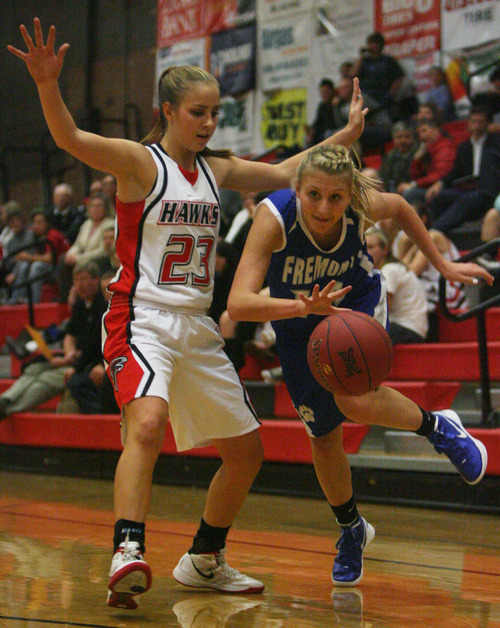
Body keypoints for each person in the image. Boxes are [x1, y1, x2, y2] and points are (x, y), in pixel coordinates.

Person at [8, 18, 367, 609]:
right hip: (140, 314)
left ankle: (204, 558)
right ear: (170, 110)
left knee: (248, 450)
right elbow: (71, 138)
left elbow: (284, 173)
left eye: (215, 113)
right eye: (198, 112)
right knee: (146, 424)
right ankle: (127, 547)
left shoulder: (216, 170)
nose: (208, 122)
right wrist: (48, 84)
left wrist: (345, 136)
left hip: (196, 324)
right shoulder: (139, 164)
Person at [226, 144, 492, 587]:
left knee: (353, 398)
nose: (325, 207)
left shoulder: (361, 206)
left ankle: (438, 428)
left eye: (336, 197)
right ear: (296, 188)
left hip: (355, 303)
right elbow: (238, 303)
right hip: (297, 319)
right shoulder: (274, 218)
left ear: (350, 196)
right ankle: (352, 529)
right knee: (323, 436)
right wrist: (299, 307)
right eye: (313, 195)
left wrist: (443, 263)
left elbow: (404, 207)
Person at [0, 261, 112, 420]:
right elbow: (68, 331)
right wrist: (68, 352)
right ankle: (6, 399)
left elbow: (93, 345)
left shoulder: (103, 307)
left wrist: (71, 359)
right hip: (73, 356)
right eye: (76, 280)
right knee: (33, 367)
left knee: (46, 379)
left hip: (86, 363)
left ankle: (8, 409)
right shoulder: (80, 305)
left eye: (84, 280)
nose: (80, 285)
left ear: (96, 281)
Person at [424, 106, 500, 234]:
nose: (477, 125)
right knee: (438, 196)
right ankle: (430, 231)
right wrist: (439, 183)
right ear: (468, 124)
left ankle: (435, 231)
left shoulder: (496, 142)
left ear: (487, 124)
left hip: (487, 189)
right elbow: (454, 172)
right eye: (474, 121)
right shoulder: (464, 147)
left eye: (481, 122)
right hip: (467, 186)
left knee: (468, 200)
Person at [365, 227, 428, 344]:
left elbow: (383, 308)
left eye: (371, 247)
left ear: (385, 250)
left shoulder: (390, 269)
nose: (366, 252)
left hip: (408, 327)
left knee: (360, 336)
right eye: (363, 248)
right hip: (407, 326)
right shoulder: (382, 270)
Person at [56, 192, 115, 302]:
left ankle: (85, 298)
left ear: (105, 208)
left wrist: (79, 258)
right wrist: (71, 255)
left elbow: (104, 251)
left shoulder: (110, 224)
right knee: (63, 259)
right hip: (83, 259)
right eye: (92, 206)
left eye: (99, 206)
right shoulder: (87, 224)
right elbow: (78, 244)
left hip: (99, 260)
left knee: (88, 265)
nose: (95, 209)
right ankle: (65, 297)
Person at [13, 209, 69, 303]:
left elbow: (50, 259)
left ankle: (35, 301)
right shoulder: (36, 236)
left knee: (37, 266)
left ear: (47, 223)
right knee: (24, 265)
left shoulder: (53, 234)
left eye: (39, 222)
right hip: (48, 269)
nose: (36, 225)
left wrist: (28, 257)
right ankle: (16, 299)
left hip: (60, 270)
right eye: (34, 222)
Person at [398, 120, 456, 205]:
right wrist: (416, 160)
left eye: (424, 131)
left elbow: (441, 174)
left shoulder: (445, 146)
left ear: (436, 130)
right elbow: (414, 176)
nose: (422, 136)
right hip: (429, 186)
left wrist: (415, 184)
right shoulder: (426, 149)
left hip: (444, 187)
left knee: (409, 194)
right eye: (419, 133)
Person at [349, 32, 404, 118]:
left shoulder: (388, 60)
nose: (372, 46)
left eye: (374, 44)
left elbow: (398, 78)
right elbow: (353, 74)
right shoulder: (364, 61)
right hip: (366, 96)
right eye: (370, 43)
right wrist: (361, 56)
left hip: (382, 96)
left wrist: (391, 93)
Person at [378, 122, 418, 192]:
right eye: (399, 137)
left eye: (407, 137)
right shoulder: (390, 155)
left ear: (413, 138)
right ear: (393, 139)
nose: (403, 140)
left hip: (411, 187)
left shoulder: (418, 153)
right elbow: (384, 175)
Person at [305, 78, 336, 146]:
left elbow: (334, 123)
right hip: (322, 133)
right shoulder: (322, 106)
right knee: (307, 137)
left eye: (325, 92)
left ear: (331, 91)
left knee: (328, 134)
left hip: (333, 131)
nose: (323, 94)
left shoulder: (336, 104)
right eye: (322, 92)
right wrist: (311, 129)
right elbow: (317, 122)